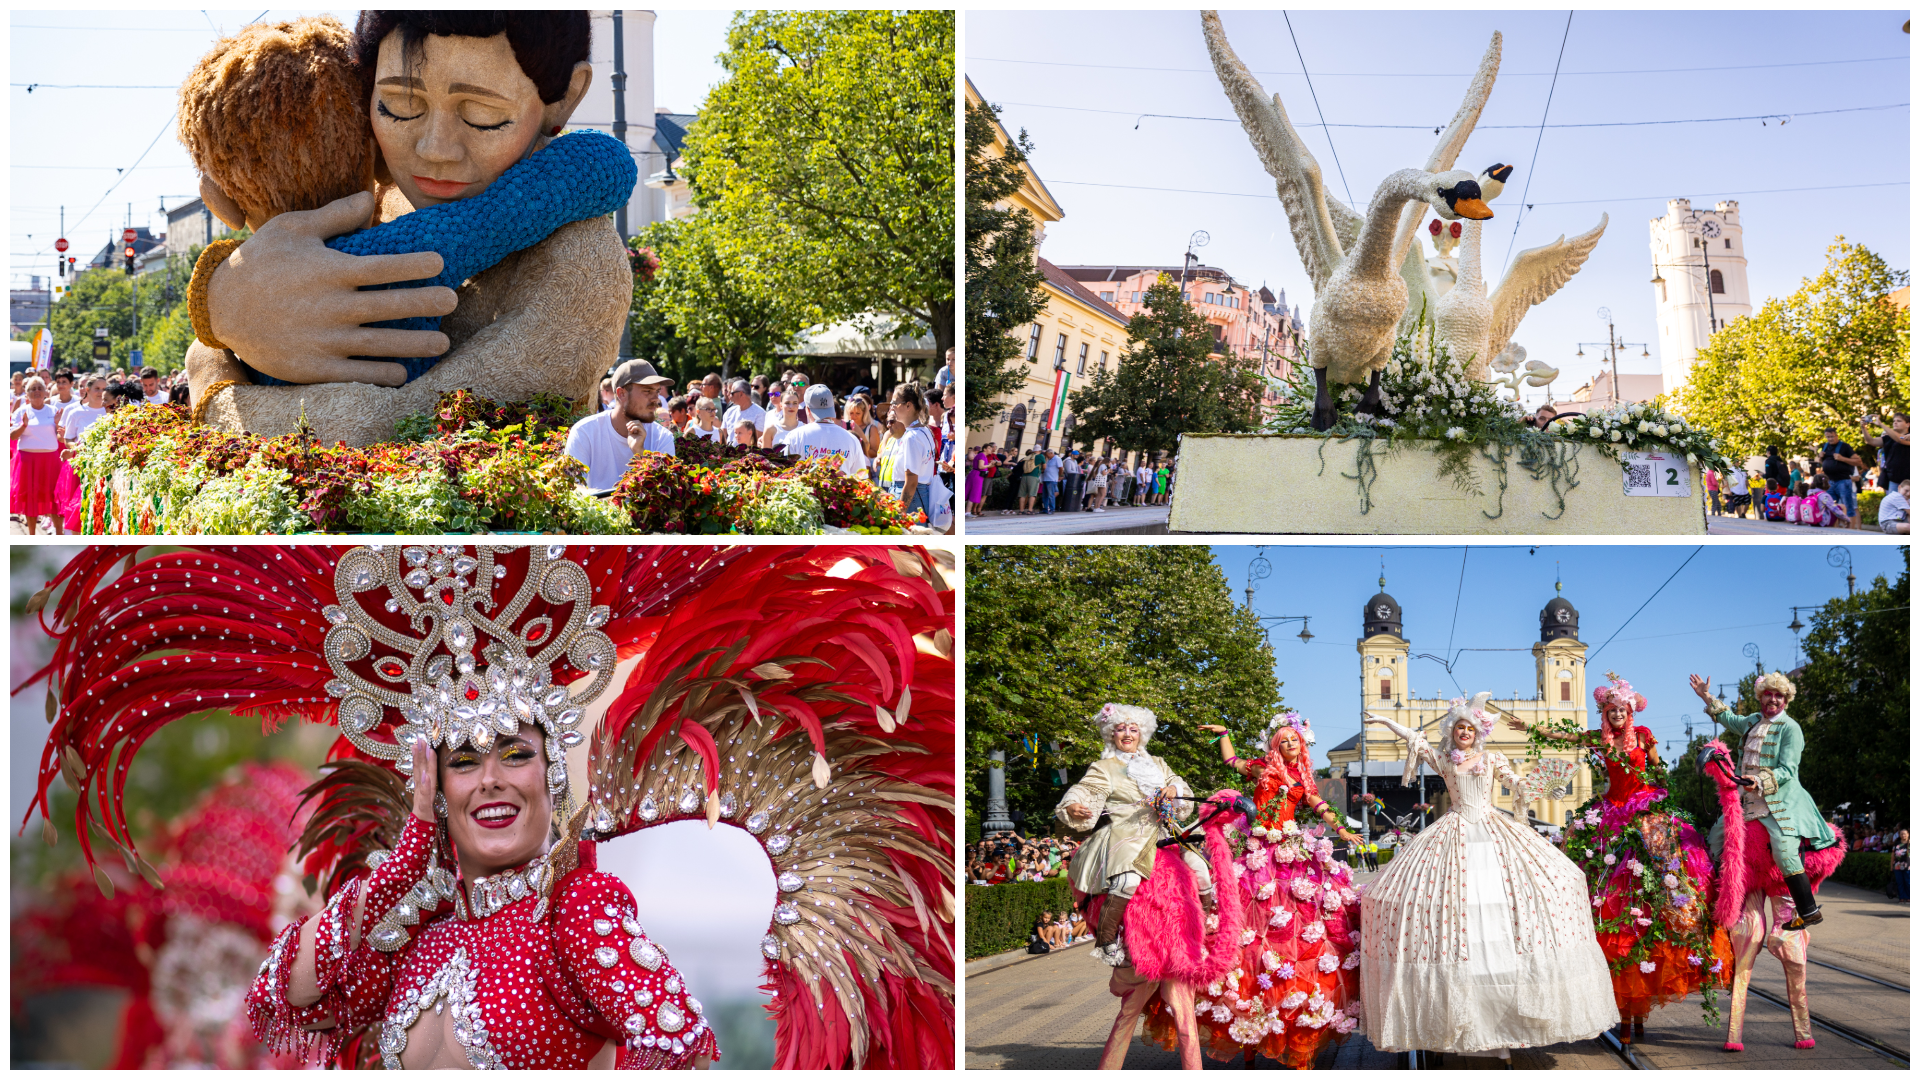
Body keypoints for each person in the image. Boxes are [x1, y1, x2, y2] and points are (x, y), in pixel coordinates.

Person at [27, 544, 955, 1070]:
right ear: (432, 783)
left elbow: (679, 1047)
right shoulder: (418, 937)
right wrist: (402, 873)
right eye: (465, 763)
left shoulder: (578, 913)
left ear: (554, 774)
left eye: (518, 755)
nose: (494, 781)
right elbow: (277, 1005)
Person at [1359, 694, 1615, 1057]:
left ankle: (1509, 1002)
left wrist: (1540, 788)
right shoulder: (1447, 759)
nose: (1464, 732)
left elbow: (1516, 784)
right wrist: (1386, 721)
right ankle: (1466, 1002)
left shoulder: (1493, 758)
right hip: (1454, 834)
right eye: (1460, 727)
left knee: (1517, 896)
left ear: (1478, 732)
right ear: (1453, 732)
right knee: (1455, 904)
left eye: (1470, 728)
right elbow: (1415, 741)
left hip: (1494, 832)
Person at [1507, 675, 1733, 1045]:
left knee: (1667, 885)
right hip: (1610, 813)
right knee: (1608, 896)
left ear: (1629, 711)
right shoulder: (1599, 740)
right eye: (1610, 710)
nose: (1615, 715)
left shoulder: (1643, 736)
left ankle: (1645, 998)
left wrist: (1662, 790)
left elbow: (1659, 770)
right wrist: (1527, 726)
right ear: (1604, 713)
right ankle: (1621, 1005)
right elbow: (1564, 737)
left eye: (1620, 710)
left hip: (1644, 810)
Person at [1193, 713, 1362, 1066]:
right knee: (1248, 929)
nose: (1289, 745)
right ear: (1275, 746)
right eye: (1283, 740)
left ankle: (1296, 1020)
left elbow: (1321, 807)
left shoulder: (1303, 777)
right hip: (1258, 850)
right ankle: (1248, 1027)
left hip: (1292, 852)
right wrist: (1224, 731)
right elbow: (1230, 760)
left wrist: (1342, 830)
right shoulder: (1261, 769)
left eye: (1294, 741)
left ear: (1301, 746)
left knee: (1300, 924)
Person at [1056, 704, 1215, 967]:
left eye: (1133, 729)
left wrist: (1174, 789)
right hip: (1127, 833)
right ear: (1111, 734)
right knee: (1127, 880)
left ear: (1141, 734)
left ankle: (1199, 930)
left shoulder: (1158, 763)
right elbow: (1084, 790)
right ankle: (1106, 941)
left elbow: (1179, 783)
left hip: (1167, 830)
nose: (1127, 734)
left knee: (1201, 869)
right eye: (1121, 729)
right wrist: (1073, 805)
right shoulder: (1104, 767)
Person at [1690, 672, 1840, 929]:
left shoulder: (1791, 728)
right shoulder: (1751, 722)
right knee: (1715, 839)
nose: (1773, 700)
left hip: (1780, 801)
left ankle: (1808, 909)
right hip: (1745, 800)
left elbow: (1788, 770)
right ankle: (1709, 900)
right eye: (1768, 694)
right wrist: (1705, 695)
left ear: (1786, 700)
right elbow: (1729, 718)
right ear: (1761, 697)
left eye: (1778, 695)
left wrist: (1759, 781)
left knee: (1784, 851)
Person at [562, 358, 675, 490]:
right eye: (647, 391)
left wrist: (640, 454)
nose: (656, 398)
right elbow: (571, 490)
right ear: (621, 394)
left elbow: (666, 494)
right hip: (593, 510)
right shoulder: (585, 432)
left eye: (657, 391)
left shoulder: (662, 437)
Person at [11, 376, 66, 535]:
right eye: (32, 389)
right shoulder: (21, 411)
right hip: (28, 460)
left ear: (45, 392)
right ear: (26, 394)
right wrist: (24, 425)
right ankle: (32, 534)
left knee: (53, 497)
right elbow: (13, 436)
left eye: (39, 388)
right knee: (30, 498)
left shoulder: (53, 411)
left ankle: (59, 533)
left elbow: (61, 438)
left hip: (50, 460)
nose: (36, 391)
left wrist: (57, 425)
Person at [876, 384, 937, 521]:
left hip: (911, 499)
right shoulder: (924, 431)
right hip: (919, 496)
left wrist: (900, 515)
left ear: (908, 406)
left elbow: (911, 483)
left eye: (895, 403)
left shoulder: (912, 437)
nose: (891, 407)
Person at [784, 384, 869, 477]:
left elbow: (785, 474)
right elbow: (861, 479)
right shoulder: (852, 440)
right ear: (833, 409)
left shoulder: (794, 437)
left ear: (807, 409)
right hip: (841, 491)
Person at [1819, 426, 1864, 528]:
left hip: (1843, 481)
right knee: (1830, 506)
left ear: (1837, 435)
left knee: (1849, 507)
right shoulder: (1825, 446)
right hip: (1830, 482)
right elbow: (1824, 463)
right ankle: (1834, 529)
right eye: (1828, 437)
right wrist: (1820, 457)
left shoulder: (1845, 447)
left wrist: (1842, 458)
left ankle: (1851, 530)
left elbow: (1858, 461)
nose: (1830, 439)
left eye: (1832, 436)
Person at [761, 386, 805, 451]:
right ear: (781, 405)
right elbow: (765, 457)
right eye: (787, 403)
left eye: (795, 403)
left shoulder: (804, 428)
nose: (791, 406)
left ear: (798, 405)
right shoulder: (770, 429)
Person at [967, 443, 993, 517]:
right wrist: (989, 465)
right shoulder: (981, 455)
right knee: (973, 493)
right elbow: (981, 466)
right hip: (977, 475)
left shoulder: (983, 456)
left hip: (978, 475)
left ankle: (968, 512)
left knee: (973, 492)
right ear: (984, 449)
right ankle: (968, 512)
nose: (991, 450)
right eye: (989, 448)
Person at [1014, 449, 1041, 514]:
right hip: (1033, 476)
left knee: (1022, 494)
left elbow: (1016, 467)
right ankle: (1030, 510)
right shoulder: (1038, 457)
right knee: (1032, 494)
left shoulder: (1024, 459)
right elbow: (1044, 467)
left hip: (1024, 476)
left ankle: (1021, 510)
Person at [1892, 830, 1910, 903]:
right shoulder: (1897, 843)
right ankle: (1901, 897)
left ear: (1908, 834)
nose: (1903, 835)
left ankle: (1909, 897)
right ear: (1899, 835)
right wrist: (1891, 866)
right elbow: (1893, 855)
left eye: (1905, 834)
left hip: (1908, 866)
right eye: (1902, 834)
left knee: (1908, 882)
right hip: (1897, 866)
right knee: (1900, 882)